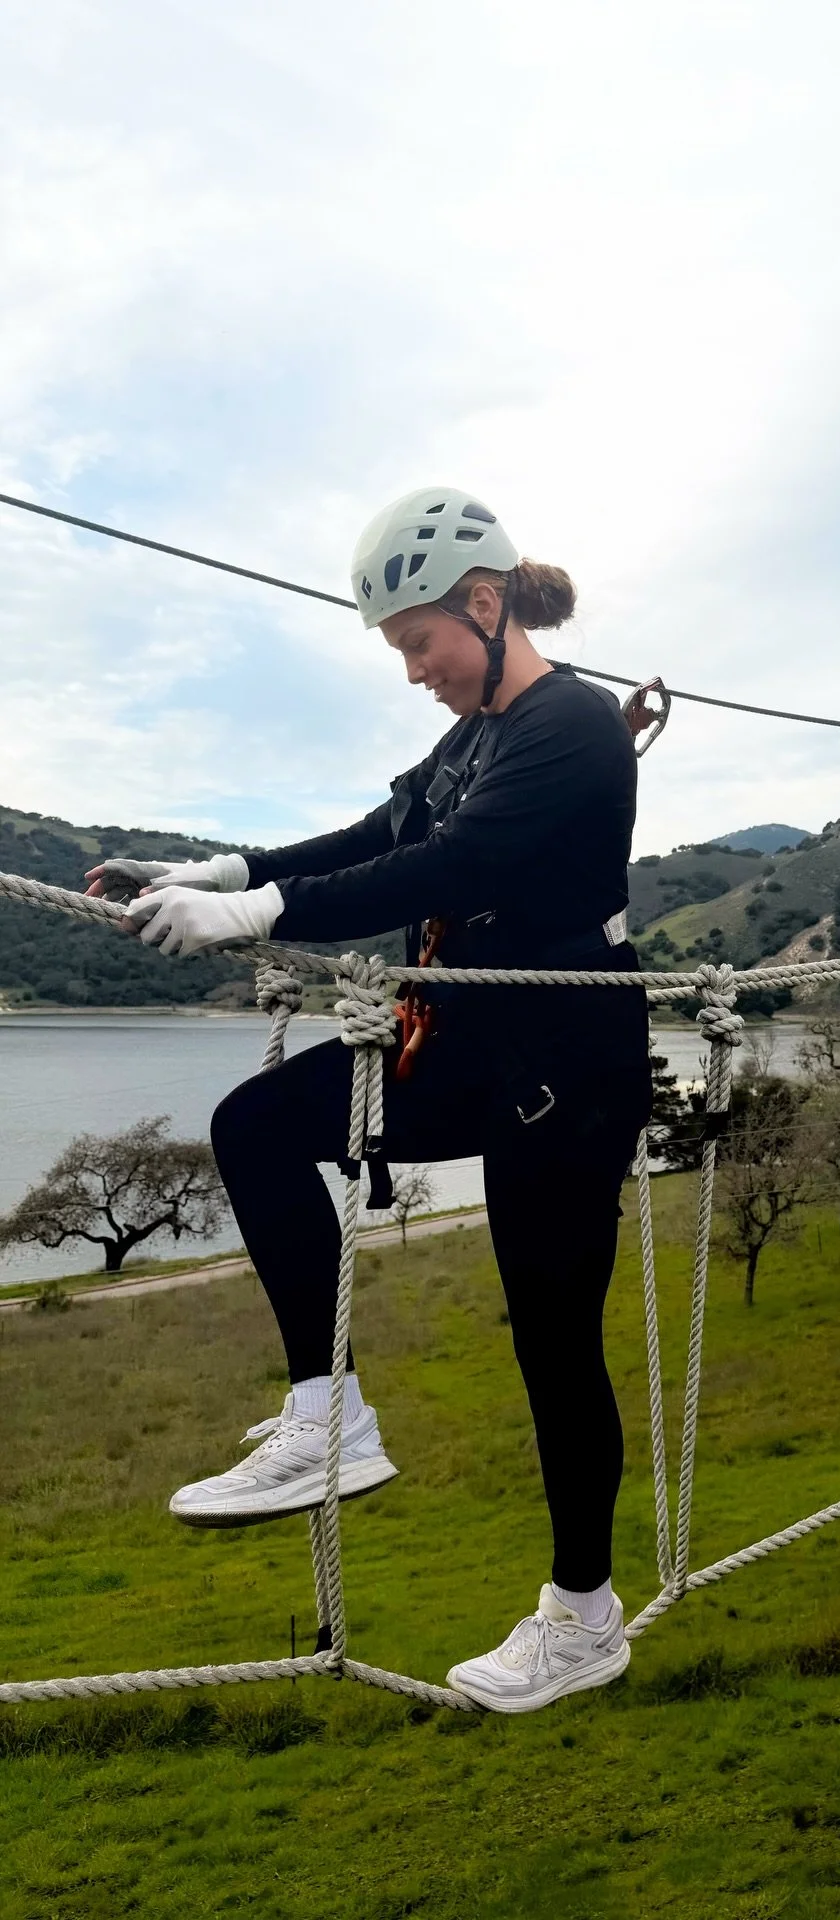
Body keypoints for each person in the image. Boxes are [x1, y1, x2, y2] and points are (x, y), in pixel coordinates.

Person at [85, 488, 652, 1713]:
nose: (415, 673)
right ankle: (328, 1413)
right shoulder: (469, 742)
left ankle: (582, 1618)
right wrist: (219, 871)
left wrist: (256, 917)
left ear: (486, 607)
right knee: (260, 1126)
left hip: (570, 1066)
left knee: (554, 1345)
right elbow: (370, 836)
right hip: (459, 1045)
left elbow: (453, 865)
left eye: (419, 644)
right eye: (402, 651)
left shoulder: (575, 729)